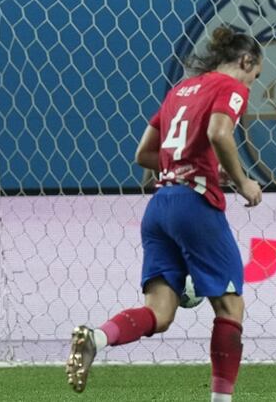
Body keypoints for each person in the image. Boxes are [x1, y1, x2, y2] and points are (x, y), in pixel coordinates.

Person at [64, 26, 264, 400]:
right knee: (230, 306)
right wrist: (242, 181)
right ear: (246, 60)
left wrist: (195, 165)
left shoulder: (179, 91)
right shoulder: (231, 88)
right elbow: (221, 133)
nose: (252, 82)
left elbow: (144, 154)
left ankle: (96, 337)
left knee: (159, 312)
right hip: (194, 206)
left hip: (159, 207)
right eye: (255, 74)